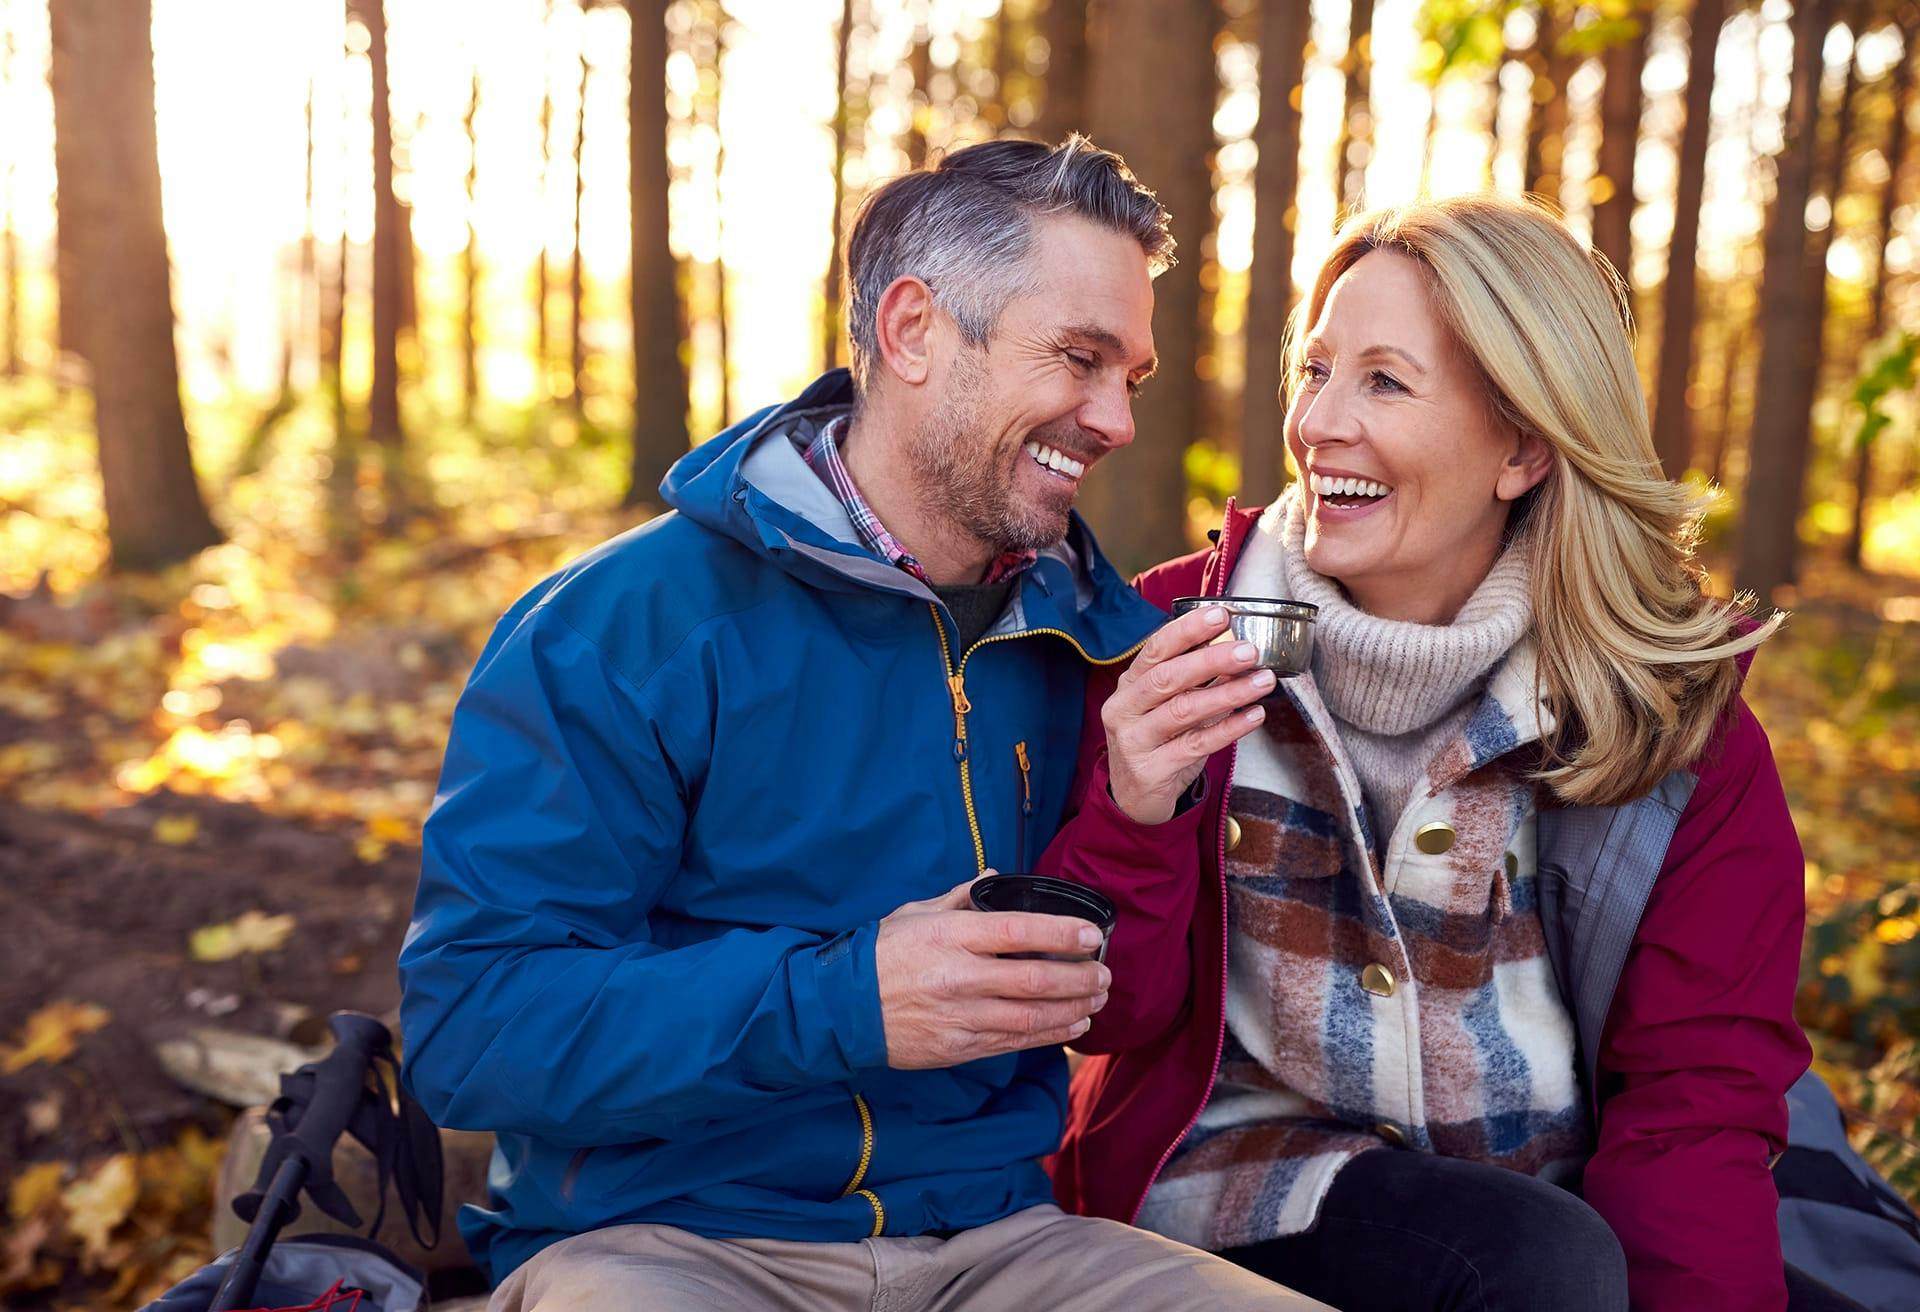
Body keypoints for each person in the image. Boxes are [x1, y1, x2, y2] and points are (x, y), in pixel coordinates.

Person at [397, 136, 1323, 1311]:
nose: (1114, 420)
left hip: (1002, 1243)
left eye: (1128, 377)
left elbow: (1125, 1012)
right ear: (913, 330)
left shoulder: (1088, 635)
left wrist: (1140, 804)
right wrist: (844, 1002)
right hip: (665, 1246)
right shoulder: (624, 626)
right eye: (1078, 359)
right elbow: (473, 1025)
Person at [1038, 195, 1843, 1311]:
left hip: (1556, 1194)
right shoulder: (1167, 641)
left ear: (1521, 446)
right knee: (1534, 1259)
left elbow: (1692, 1101)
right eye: (1315, 372)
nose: (1318, 424)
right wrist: (1137, 809)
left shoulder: (1667, 722)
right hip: (1237, 1191)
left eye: (1384, 380)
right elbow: (1105, 1018)